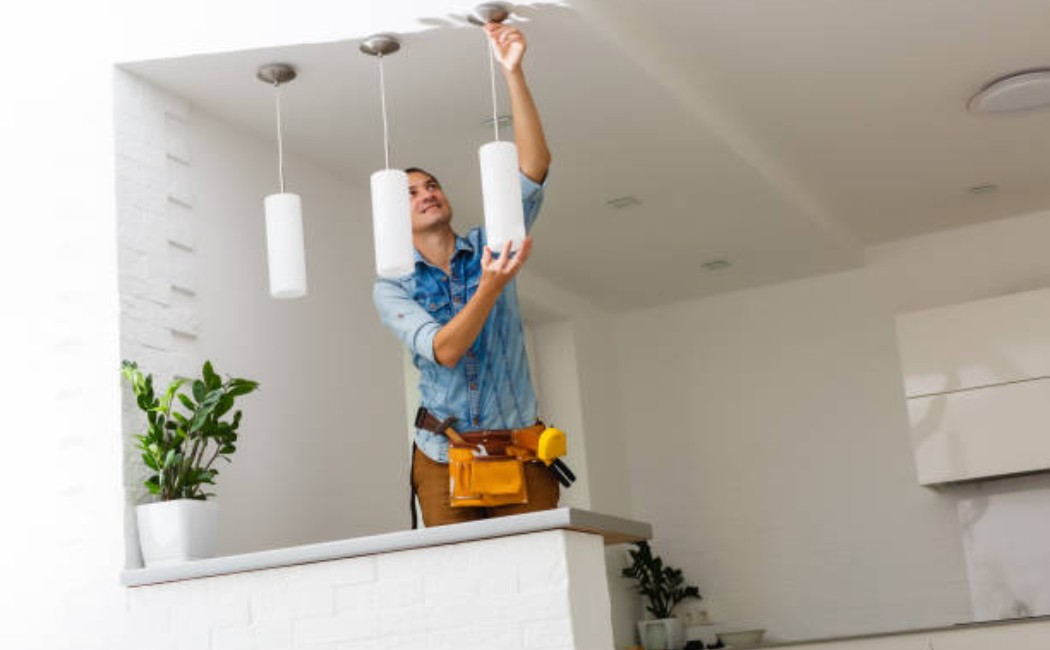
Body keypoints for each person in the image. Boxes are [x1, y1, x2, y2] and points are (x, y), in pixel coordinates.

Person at [373, 21, 554, 527]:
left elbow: (534, 167)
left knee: (536, 573)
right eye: (409, 193)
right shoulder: (391, 287)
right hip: (439, 455)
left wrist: (512, 72)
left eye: (431, 185)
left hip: (519, 448)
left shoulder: (490, 244)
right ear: (392, 217)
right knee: (458, 582)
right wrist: (491, 287)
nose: (426, 192)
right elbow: (446, 350)